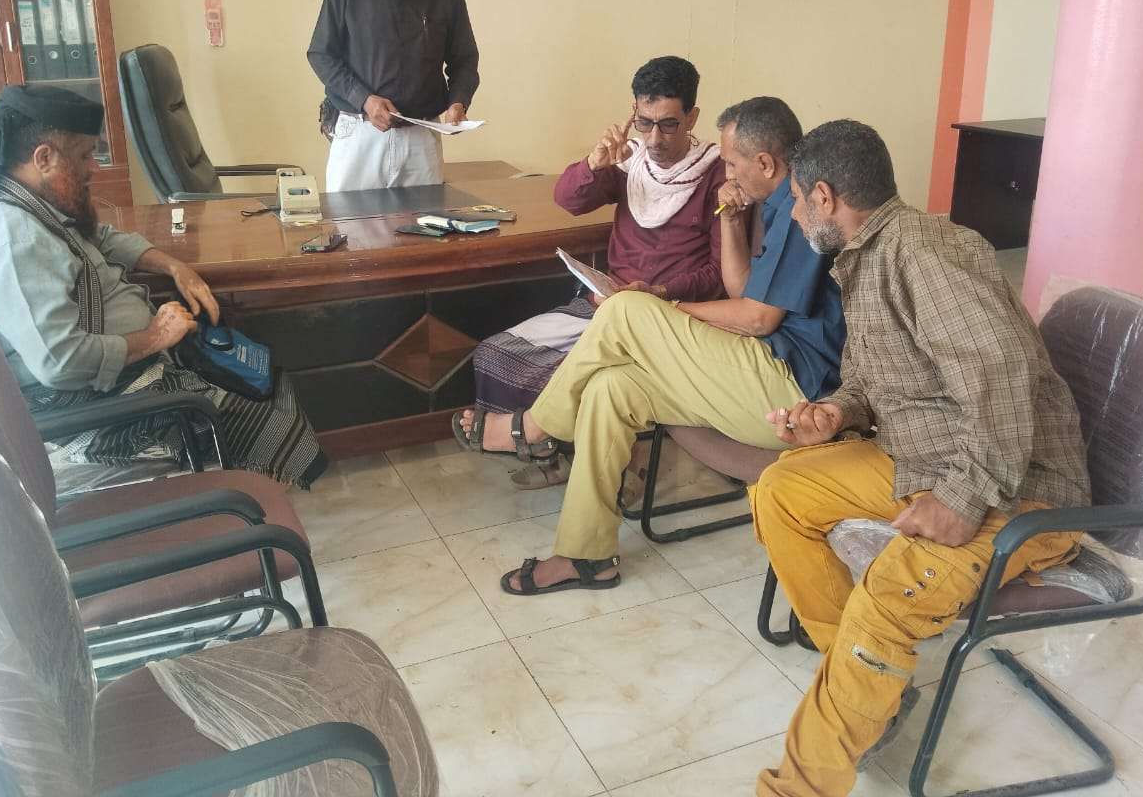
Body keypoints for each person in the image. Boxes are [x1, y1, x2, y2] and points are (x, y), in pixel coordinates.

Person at [749, 120, 1090, 797]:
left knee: (892, 590)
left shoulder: (924, 252)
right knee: (781, 490)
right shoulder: (867, 257)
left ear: (824, 196)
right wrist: (835, 413)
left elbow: (1001, 373)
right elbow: (872, 376)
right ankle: (866, 690)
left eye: (796, 201)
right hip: (922, 459)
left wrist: (964, 501)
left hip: (1020, 491)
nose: (794, 216)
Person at [454, 96, 846, 595]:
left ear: (766, 163)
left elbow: (757, 318)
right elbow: (741, 291)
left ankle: (532, 426)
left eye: (731, 163)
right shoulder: (773, 204)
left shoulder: (800, 208)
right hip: (758, 372)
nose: (726, 172)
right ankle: (586, 556)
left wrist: (664, 310)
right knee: (612, 388)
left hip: (792, 391)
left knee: (624, 310)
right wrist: (730, 219)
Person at [0, 85, 327, 489]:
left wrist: (174, 267)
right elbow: (61, 362)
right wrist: (155, 337)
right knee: (257, 408)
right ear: (44, 158)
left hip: (120, 377)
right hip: (92, 405)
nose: (92, 167)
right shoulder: (13, 238)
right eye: (84, 155)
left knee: (253, 370)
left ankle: (259, 491)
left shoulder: (30, 206)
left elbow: (102, 237)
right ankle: (251, 501)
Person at [463, 56, 727, 490]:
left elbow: (718, 273)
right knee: (495, 353)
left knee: (577, 376)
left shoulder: (716, 174)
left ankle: (595, 460)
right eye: (644, 123)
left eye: (668, 125)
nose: (654, 138)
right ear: (633, 112)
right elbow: (569, 200)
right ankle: (551, 451)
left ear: (692, 117)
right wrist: (595, 162)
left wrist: (657, 291)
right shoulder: (630, 161)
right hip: (604, 304)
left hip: (668, 314)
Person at [308, 0, 479, 191]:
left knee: (427, 220)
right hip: (360, 132)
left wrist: (458, 101)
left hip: (421, 138)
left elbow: (464, 60)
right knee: (351, 221)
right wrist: (364, 99)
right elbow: (321, 53)